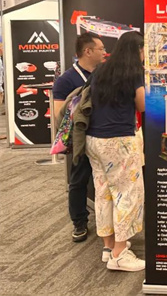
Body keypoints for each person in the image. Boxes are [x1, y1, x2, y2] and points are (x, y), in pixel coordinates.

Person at [85, 31, 145, 271]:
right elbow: (142, 104)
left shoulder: (101, 70)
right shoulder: (134, 73)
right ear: (137, 50)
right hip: (119, 141)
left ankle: (109, 247)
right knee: (128, 193)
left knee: (104, 193)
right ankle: (120, 254)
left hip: (94, 140)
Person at [52, 32, 106, 242]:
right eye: (101, 48)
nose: (104, 52)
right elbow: (59, 113)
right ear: (88, 51)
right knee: (78, 181)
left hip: (104, 137)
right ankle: (79, 222)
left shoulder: (106, 74)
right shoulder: (66, 80)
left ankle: (107, 222)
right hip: (80, 138)